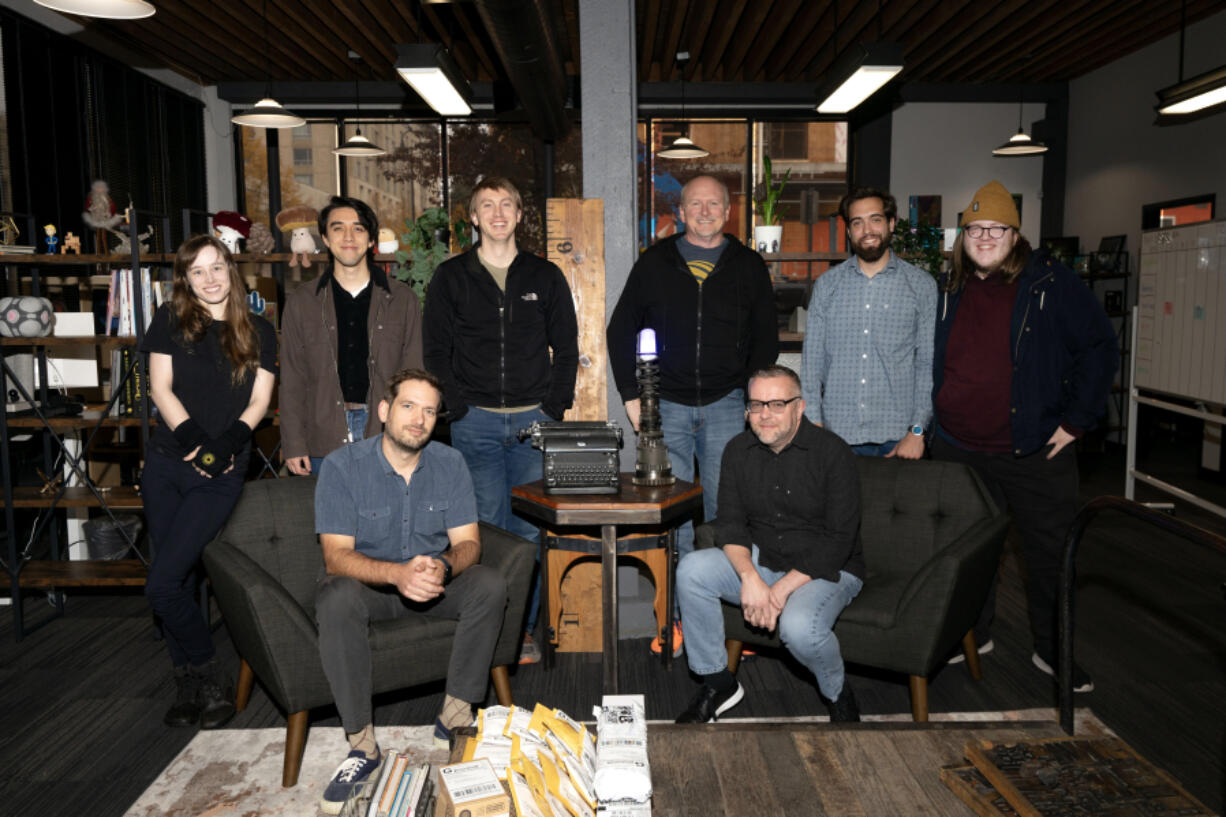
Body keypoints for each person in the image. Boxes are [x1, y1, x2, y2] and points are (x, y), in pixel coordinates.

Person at [931, 181, 1117, 692]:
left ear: (1015, 234)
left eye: (996, 228)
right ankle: (974, 634)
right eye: (975, 228)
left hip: (1033, 448)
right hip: (958, 446)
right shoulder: (951, 285)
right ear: (962, 236)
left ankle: (1052, 651)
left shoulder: (1050, 283)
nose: (984, 236)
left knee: (1049, 555)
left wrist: (1078, 420)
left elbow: (1100, 347)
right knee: (969, 554)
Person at [313, 369, 507, 814]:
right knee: (336, 595)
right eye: (408, 406)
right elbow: (336, 557)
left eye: (429, 411)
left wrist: (442, 565)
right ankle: (362, 747)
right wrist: (397, 574)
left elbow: (469, 545)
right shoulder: (343, 467)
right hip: (370, 588)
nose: (418, 419)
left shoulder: (450, 463)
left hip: (433, 584)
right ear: (384, 411)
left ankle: (454, 716)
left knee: (490, 583)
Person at [606, 174, 779, 655]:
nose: (704, 211)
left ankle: (734, 625)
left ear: (728, 211)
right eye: (694, 204)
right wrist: (632, 397)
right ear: (680, 213)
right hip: (667, 410)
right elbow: (620, 330)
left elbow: (766, 339)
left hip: (728, 406)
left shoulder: (748, 266)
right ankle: (679, 622)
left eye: (714, 204)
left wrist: (754, 399)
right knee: (672, 520)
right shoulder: (654, 264)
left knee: (732, 516)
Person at [423, 176, 579, 664]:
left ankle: (522, 631)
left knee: (531, 532)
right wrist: (460, 406)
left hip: (535, 423)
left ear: (518, 215)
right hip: (477, 426)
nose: (496, 213)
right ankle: (486, 628)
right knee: (485, 529)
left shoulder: (545, 275)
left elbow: (568, 347)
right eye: (486, 205)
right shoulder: (451, 277)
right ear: (473, 217)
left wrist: (553, 407)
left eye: (506, 204)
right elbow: (435, 352)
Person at [673, 365, 863, 723]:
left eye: (777, 404)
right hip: (765, 557)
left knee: (797, 628)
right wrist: (750, 578)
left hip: (827, 567)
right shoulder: (737, 450)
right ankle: (718, 681)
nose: (764, 415)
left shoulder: (833, 453)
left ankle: (838, 694)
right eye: (756, 405)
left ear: (800, 407)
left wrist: (777, 593)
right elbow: (729, 525)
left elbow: (839, 540)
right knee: (692, 570)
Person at [141, 234, 277, 729]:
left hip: (221, 474)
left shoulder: (259, 329)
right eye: (198, 271)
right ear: (186, 279)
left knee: (161, 585)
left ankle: (210, 676)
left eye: (217, 267)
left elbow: (259, 402)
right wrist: (199, 442)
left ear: (231, 270)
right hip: (166, 466)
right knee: (173, 580)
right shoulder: (170, 322)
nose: (210, 278)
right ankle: (189, 686)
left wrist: (224, 448)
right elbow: (160, 388)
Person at [281, 195, 423, 475]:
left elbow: (414, 374)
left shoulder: (402, 300)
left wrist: (410, 436)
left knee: (387, 518)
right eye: (337, 228)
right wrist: (294, 442)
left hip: (385, 432)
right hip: (321, 435)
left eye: (358, 228)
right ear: (324, 237)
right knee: (331, 519)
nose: (348, 236)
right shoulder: (302, 302)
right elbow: (292, 379)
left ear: (371, 240)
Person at [802, 188, 937, 456]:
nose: (867, 230)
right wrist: (814, 425)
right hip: (836, 434)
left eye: (875, 219)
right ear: (849, 231)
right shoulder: (827, 285)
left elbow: (927, 365)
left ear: (891, 224)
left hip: (899, 438)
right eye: (857, 222)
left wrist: (917, 430)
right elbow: (811, 361)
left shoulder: (922, 286)